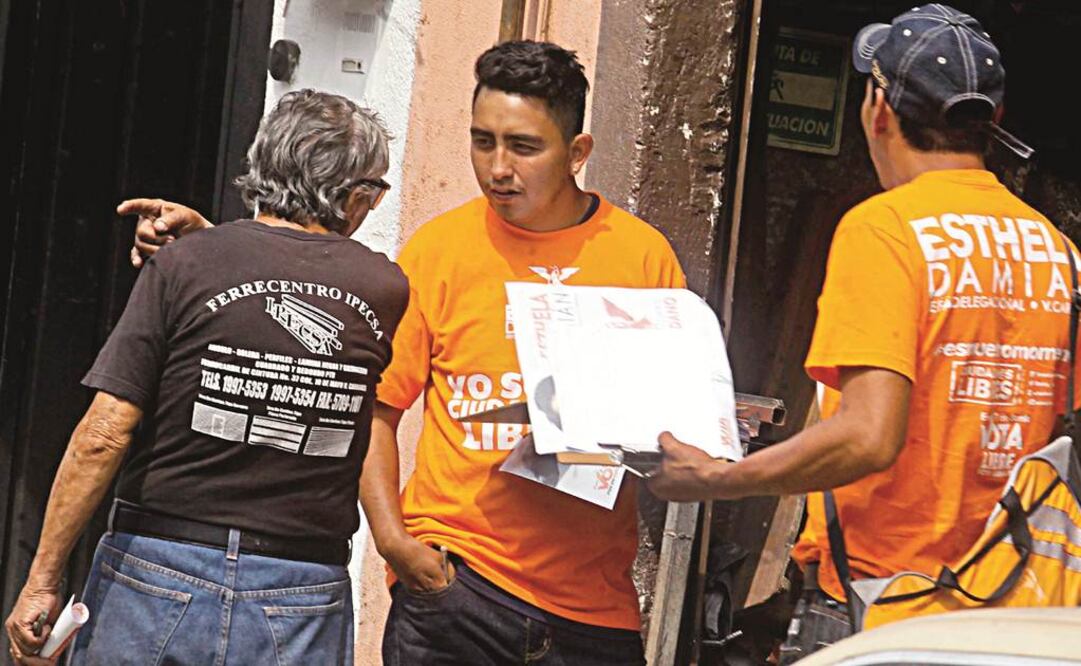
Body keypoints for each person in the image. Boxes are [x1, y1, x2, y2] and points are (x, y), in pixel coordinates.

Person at [120, 41, 685, 664]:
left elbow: (664, 416)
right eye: (482, 141)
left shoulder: (641, 256)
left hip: (593, 608)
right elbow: (375, 407)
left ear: (577, 152)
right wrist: (394, 541)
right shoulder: (440, 250)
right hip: (459, 589)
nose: (498, 167)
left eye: (524, 147)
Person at [647, 5, 1078, 662]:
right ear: (991, 118)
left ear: (877, 107)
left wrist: (714, 478)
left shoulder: (884, 230)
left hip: (886, 605)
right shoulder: (1056, 250)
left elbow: (868, 436)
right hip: (1013, 608)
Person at [3, 89, 408, 665]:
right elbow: (285, 304)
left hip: (158, 568)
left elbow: (104, 434)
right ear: (355, 194)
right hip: (300, 587)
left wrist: (43, 579)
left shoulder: (187, 265)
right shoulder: (383, 288)